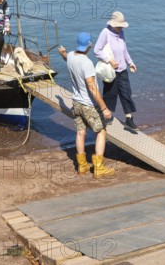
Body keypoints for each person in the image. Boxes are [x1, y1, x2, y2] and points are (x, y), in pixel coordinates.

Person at [58, 32, 115, 179]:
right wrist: (104, 108)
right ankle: (98, 168)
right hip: (88, 104)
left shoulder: (70, 55)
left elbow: (66, 58)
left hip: (76, 102)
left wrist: (63, 53)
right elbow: (92, 87)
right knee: (101, 132)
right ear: (89, 45)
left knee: (80, 132)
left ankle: (82, 166)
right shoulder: (87, 63)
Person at [94, 11, 138, 130]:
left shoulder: (121, 33)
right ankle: (106, 117)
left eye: (121, 26)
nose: (120, 28)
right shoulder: (105, 33)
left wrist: (130, 63)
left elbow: (124, 50)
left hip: (122, 70)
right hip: (110, 71)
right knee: (110, 94)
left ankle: (129, 119)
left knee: (126, 93)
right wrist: (109, 60)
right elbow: (97, 50)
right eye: (119, 26)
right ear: (113, 24)